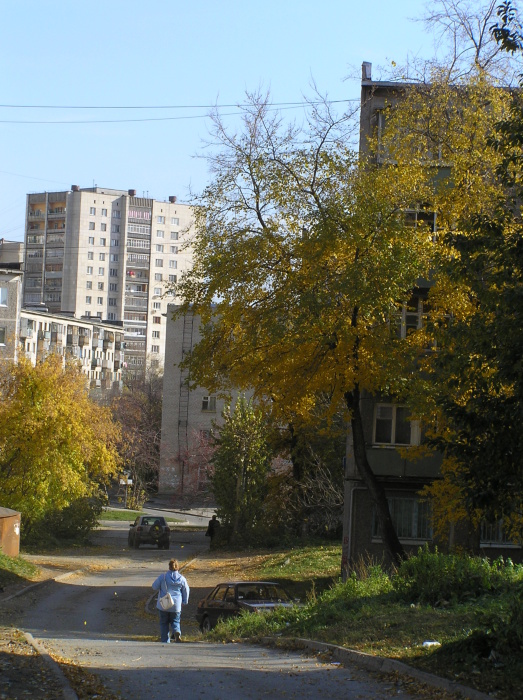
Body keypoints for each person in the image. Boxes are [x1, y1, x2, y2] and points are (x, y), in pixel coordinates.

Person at [152, 559, 190, 643]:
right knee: (175, 621)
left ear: (169, 567)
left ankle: (165, 641)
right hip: (176, 605)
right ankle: (177, 631)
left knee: (163, 623)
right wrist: (184, 601)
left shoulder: (163, 577)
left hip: (164, 604)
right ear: (178, 567)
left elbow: (154, 586)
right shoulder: (182, 579)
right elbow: (186, 591)